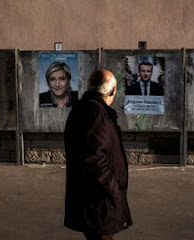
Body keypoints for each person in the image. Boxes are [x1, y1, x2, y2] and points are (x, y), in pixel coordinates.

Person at [64, 69, 132, 240]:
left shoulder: (85, 108)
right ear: (112, 91)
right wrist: (113, 189)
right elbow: (94, 159)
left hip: (93, 201)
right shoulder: (96, 113)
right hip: (98, 202)